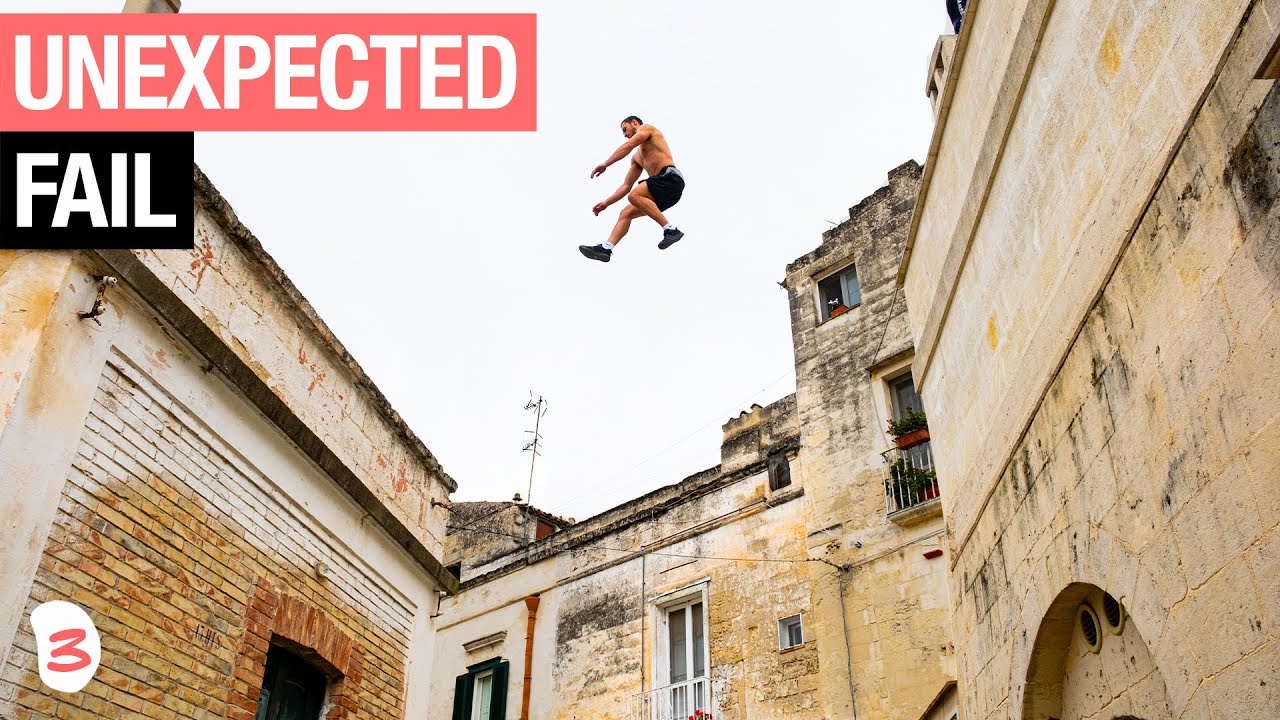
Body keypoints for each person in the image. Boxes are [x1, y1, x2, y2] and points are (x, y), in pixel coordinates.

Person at [579, 116, 685, 263]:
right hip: (663, 192)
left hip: (670, 178)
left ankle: (670, 229)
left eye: (625, 129)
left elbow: (628, 146)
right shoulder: (637, 158)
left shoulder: (647, 129)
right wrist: (606, 203)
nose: (624, 134)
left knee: (635, 195)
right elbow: (626, 186)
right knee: (626, 212)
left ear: (634, 123)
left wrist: (605, 164)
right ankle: (606, 249)